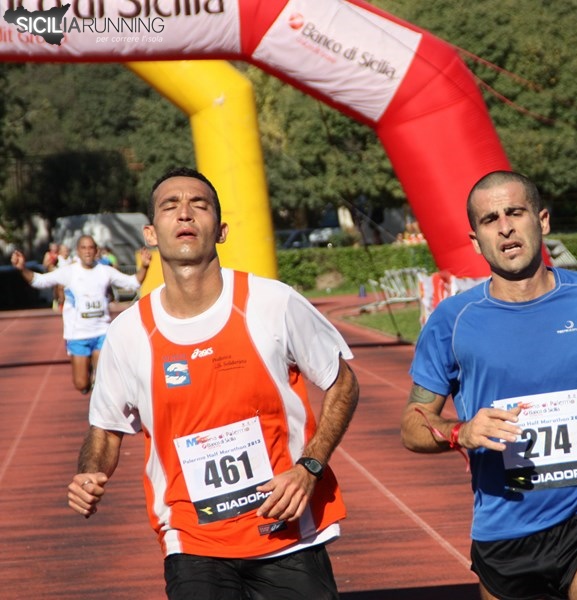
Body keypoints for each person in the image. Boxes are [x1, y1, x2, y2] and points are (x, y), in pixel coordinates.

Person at [65, 167, 360, 600]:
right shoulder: (128, 333)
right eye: (170, 206)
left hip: (286, 533)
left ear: (221, 231)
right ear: (151, 233)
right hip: (191, 539)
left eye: (199, 205)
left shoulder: (273, 303)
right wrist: (89, 472)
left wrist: (309, 467)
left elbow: (343, 383)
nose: (185, 213)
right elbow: (106, 430)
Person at [401, 171, 577, 600]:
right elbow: (412, 425)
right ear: (476, 241)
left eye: (515, 212)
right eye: (490, 219)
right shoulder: (452, 320)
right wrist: (461, 432)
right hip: (504, 527)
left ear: (542, 220)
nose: (505, 227)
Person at [10, 235, 151, 394]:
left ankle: (99, 391)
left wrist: (145, 266)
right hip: (78, 334)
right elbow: (40, 281)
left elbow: (133, 282)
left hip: (102, 332)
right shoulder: (69, 272)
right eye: (84, 248)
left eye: (91, 248)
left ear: (96, 250)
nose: (87, 252)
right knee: (81, 384)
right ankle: (87, 373)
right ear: (78, 251)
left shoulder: (105, 271)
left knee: (104, 382)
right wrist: (22, 268)